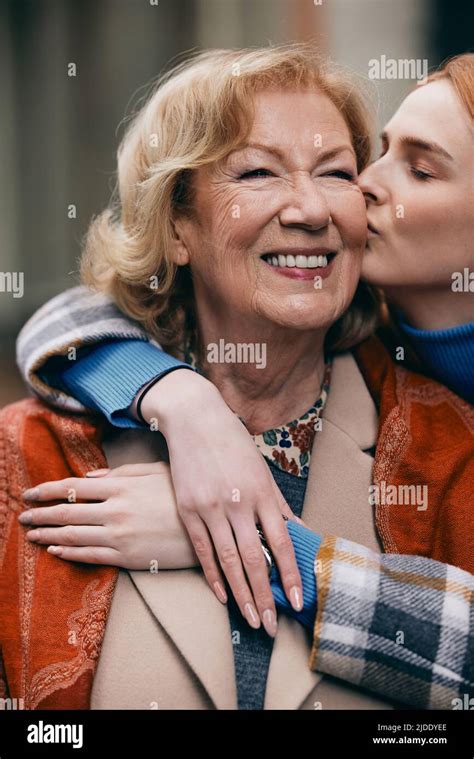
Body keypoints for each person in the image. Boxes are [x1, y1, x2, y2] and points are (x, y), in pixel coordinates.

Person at [3, 44, 472, 711]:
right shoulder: (29, 453)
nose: (316, 208)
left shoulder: (450, 448)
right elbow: (65, 321)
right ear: (176, 228)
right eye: (257, 172)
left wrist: (259, 544)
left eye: (335, 171)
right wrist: (183, 400)